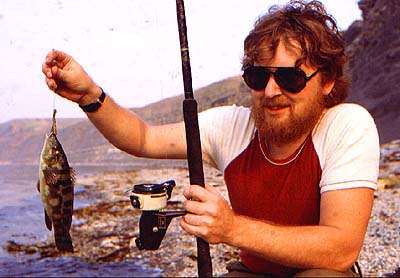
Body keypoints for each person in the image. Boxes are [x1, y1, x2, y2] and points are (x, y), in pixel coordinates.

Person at [42, 1, 379, 276]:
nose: (272, 91)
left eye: (291, 78)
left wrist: (231, 229)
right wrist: (88, 94)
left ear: (328, 81)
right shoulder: (232, 127)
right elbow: (141, 138)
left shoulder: (347, 125)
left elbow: (340, 249)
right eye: (258, 76)